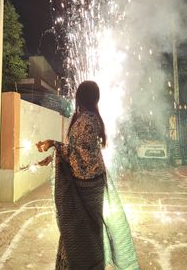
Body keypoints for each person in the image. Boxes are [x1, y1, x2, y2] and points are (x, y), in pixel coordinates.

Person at [36, 81, 139, 270]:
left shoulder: (86, 120)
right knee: (85, 230)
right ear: (95, 98)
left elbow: (81, 155)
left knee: (79, 231)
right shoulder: (87, 118)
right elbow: (77, 152)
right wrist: (54, 155)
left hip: (86, 187)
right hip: (91, 184)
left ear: (79, 97)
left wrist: (54, 144)